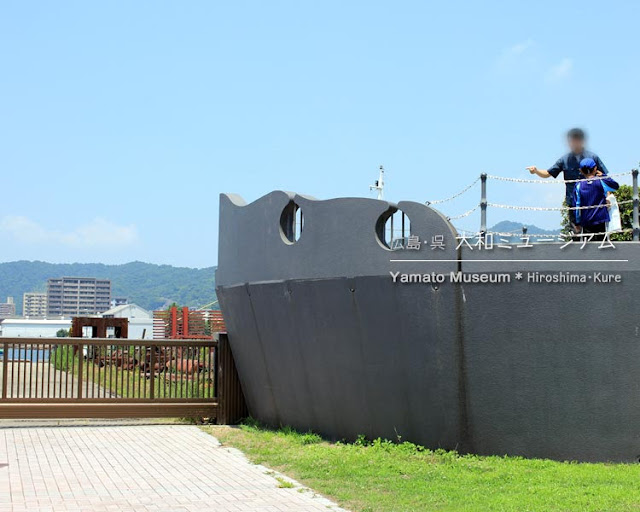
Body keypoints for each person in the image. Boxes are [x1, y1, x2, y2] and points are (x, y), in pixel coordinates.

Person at [526, 128, 609, 234]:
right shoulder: (564, 160)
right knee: (575, 234)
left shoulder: (593, 157)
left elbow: (605, 178)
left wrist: (608, 197)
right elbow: (548, 173)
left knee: (596, 235)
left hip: (593, 203)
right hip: (573, 202)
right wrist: (536, 171)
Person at [573, 157, 619, 240]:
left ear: (581, 171)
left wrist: (577, 222)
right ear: (595, 168)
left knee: (588, 248)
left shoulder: (578, 185)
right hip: (601, 219)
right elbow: (615, 186)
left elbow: (577, 206)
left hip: (586, 221)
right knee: (602, 246)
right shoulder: (601, 181)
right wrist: (604, 176)